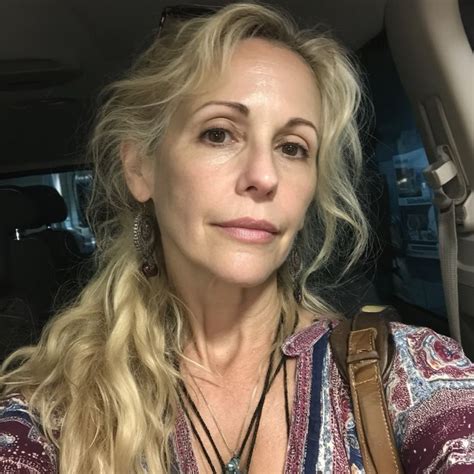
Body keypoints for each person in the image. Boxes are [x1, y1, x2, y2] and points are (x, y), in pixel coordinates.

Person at [1, 3, 473, 473]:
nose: (264, 176)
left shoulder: (405, 372)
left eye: (292, 148)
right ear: (140, 168)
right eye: (218, 134)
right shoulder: (55, 405)